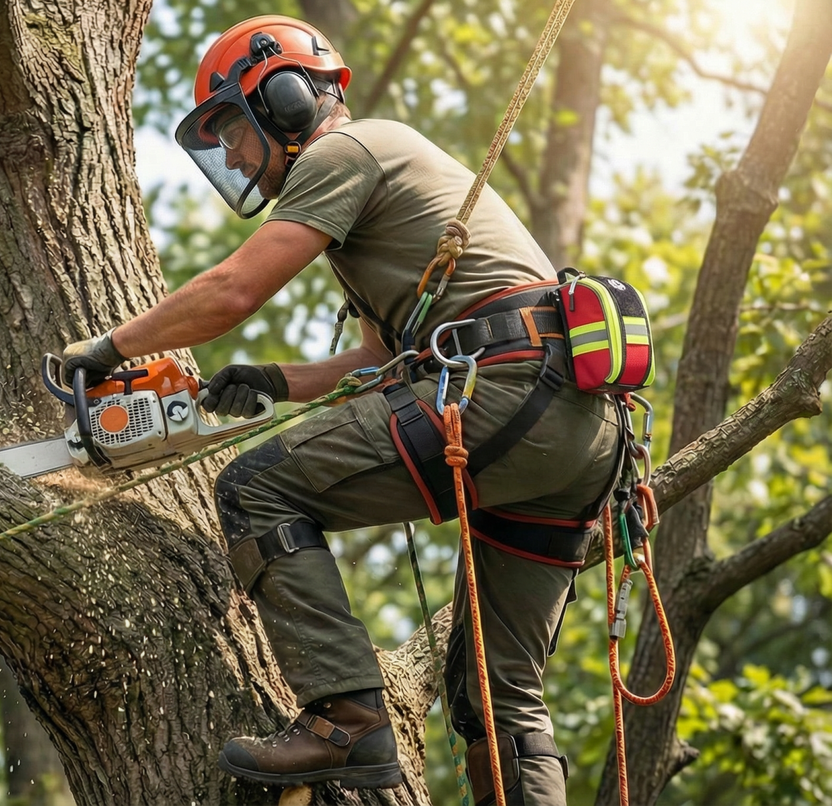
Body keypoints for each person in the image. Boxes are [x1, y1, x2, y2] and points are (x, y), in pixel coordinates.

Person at [60, 15, 621, 806]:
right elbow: (374, 361)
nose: (233, 155)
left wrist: (108, 348)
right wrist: (273, 379)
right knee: (495, 695)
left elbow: (233, 290)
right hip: (579, 434)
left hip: (506, 391)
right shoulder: (380, 176)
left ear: (284, 98)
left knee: (255, 488)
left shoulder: (340, 153)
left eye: (231, 129)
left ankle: (345, 719)